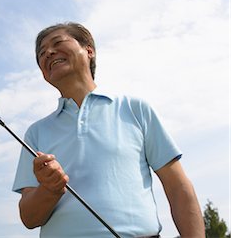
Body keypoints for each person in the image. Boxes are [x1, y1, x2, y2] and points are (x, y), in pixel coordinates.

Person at [12, 22, 205, 238]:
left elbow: (178, 187)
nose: (48, 52)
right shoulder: (36, 133)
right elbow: (29, 218)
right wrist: (49, 189)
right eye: (41, 53)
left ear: (89, 51)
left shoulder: (134, 109)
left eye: (58, 42)